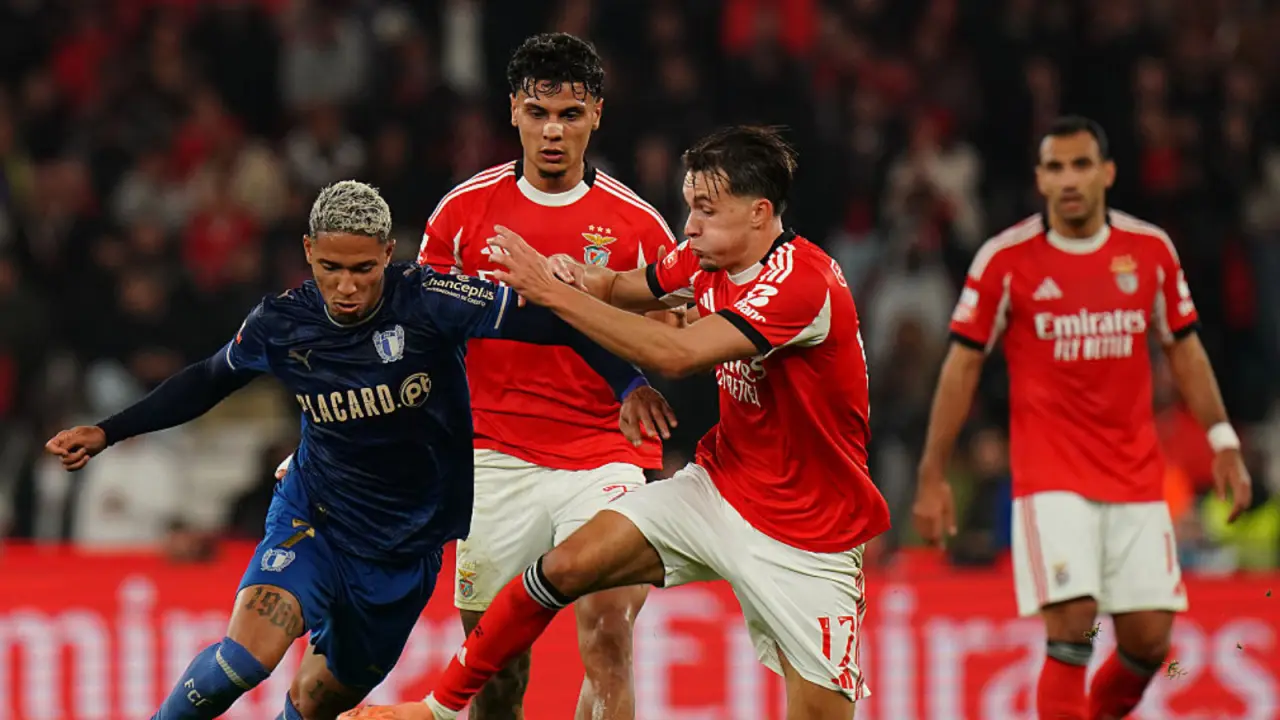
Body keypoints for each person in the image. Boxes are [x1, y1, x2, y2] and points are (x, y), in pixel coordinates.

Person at [44, 181, 670, 720]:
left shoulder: (431, 300)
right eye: (331, 268)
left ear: (388, 256)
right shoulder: (281, 323)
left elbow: (556, 320)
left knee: (316, 700)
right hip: (316, 517)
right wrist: (109, 430)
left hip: (404, 551)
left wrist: (630, 383)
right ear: (308, 253)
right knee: (242, 660)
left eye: (363, 270)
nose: (346, 286)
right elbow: (208, 379)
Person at [340, 126, 890, 720]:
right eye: (689, 206)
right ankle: (437, 711)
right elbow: (621, 286)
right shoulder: (706, 258)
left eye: (706, 210)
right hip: (721, 489)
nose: (690, 225)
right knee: (565, 566)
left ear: (760, 214)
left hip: (809, 535)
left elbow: (675, 353)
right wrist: (571, 274)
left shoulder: (802, 283)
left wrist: (550, 295)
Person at [911, 116, 1252, 720]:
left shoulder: (1149, 251)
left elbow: (1185, 347)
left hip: (1136, 477)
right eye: (1056, 167)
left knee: (1149, 644)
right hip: (1051, 479)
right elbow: (960, 369)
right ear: (1040, 179)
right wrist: (934, 472)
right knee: (1072, 629)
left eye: (1082, 165)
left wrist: (1223, 438)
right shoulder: (1004, 260)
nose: (1069, 179)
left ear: (1108, 172)